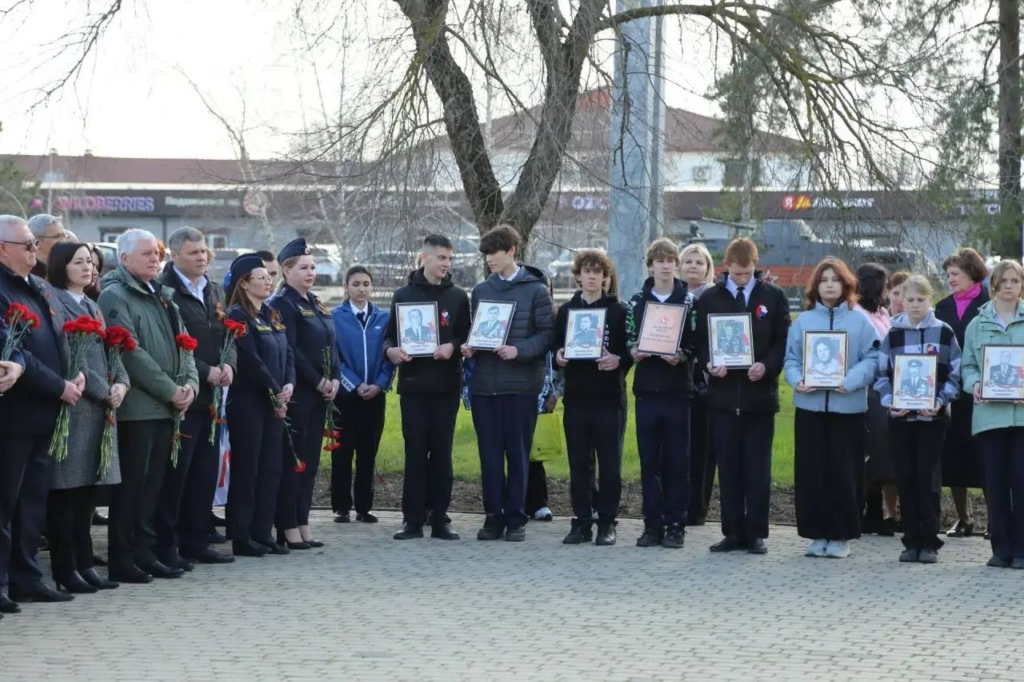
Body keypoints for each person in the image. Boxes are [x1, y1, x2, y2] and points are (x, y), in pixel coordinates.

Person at [98, 229, 199, 583]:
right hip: (139, 409)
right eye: (145, 254)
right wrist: (171, 390)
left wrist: (189, 385)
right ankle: (122, 558)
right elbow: (131, 352)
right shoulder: (115, 296)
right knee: (131, 489)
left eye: (156, 253)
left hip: (167, 406)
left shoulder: (162, 296)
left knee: (154, 487)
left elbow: (186, 344)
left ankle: (146, 552)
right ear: (124, 259)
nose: (155, 259)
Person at [0, 214, 82, 609]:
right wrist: (60, 385)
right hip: (13, 414)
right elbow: (14, 353)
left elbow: (54, 337)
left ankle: (26, 576)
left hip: (45, 412)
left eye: (36, 244)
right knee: (5, 500)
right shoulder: (2, 289)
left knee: (33, 500)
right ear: (2, 248)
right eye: (28, 245)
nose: (36, 251)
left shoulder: (38, 287)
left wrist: (74, 373)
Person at [697, 237, 791, 554]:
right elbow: (700, 342)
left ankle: (756, 532)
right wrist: (709, 364)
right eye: (736, 274)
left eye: (747, 273)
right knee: (729, 467)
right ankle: (732, 531)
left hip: (758, 397)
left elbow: (782, 341)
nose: (742, 278)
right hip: (723, 398)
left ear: (755, 265)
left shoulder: (774, 297)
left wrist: (766, 367)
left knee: (757, 468)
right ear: (726, 268)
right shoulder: (711, 298)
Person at [461, 225, 554, 542]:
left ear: (512, 250)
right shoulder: (482, 291)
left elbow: (546, 336)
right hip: (485, 386)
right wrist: (470, 347)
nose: (489, 260)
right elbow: (478, 331)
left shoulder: (536, 290)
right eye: (486, 254)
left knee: (517, 454)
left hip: (521, 385)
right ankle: (492, 517)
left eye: (494, 253)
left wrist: (519, 350)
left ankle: (516, 518)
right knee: (489, 456)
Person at [784, 256, 880, 559]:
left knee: (844, 473)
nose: (829, 285)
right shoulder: (804, 321)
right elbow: (791, 360)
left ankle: (841, 536)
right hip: (810, 409)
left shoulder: (859, 320)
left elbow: (874, 359)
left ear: (846, 284)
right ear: (815, 286)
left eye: (834, 280)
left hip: (846, 410)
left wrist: (850, 380)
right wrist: (798, 380)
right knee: (812, 473)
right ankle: (817, 533)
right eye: (823, 280)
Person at [47, 242, 129, 591]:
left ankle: (85, 563)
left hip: (100, 410)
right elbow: (71, 356)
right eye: (78, 262)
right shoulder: (54, 301)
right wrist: (102, 390)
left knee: (87, 494)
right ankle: (66, 569)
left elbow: (112, 352)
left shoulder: (93, 305)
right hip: (77, 407)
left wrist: (122, 383)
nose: (87, 268)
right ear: (61, 265)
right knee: (66, 492)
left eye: (90, 263)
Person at [153, 227, 237, 568]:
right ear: (174, 256)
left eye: (204, 252)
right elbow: (170, 343)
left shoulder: (213, 289)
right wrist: (204, 371)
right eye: (193, 253)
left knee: (204, 473)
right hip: (183, 396)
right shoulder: (164, 292)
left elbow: (227, 334)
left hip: (213, 399)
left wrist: (229, 364)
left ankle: (196, 540)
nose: (202, 257)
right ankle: (166, 546)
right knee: (178, 475)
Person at [385, 236, 470, 540]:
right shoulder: (403, 295)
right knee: (416, 453)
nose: (446, 264)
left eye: (450, 258)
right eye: (441, 258)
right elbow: (389, 337)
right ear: (425, 257)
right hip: (413, 387)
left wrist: (452, 346)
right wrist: (391, 352)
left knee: (442, 454)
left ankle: (440, 518)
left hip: (446, 387)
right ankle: (412, 519)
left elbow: (466, 337)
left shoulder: (459, 297)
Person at [875, 274, 961, 564]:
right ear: (901, 301)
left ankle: (929, 541)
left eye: (920, 300)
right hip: (900, 418)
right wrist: (889, 402)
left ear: (930, 300)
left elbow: (955, 374)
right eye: (909, 299)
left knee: (928, 478)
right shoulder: (893, 334)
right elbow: (881, 375)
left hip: (932, 420)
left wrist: (939, 402)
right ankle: (910, 540)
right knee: (905, 477)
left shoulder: (944, 332)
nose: (914, 305)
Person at [554, 249, 631, 546]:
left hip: (609, 398)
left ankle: (607, 522)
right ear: (578, 276)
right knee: (579, 464)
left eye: (597, 272)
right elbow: (556, 347)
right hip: (577, 397)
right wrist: (558, 355)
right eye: (586, 271)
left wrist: (619, 361)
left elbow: (629, 351)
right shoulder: (567, 311)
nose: (591, 276)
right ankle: (583, 521)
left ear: (605, 277)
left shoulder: (619, 311)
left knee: (610, 464)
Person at [268, 239, 340, 548]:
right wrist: (316, 381)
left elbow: (331, 345)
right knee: (293, 461)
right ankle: (287, 525)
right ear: (286, 270)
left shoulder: (316, 302)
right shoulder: (283, 303)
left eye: (313, 267)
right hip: (300, 392)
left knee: (309, 463)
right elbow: (292, 351)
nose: (311, 272)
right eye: (304, 268)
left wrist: (335, 377)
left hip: (322, 393)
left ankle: (303, 520)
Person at [626, 238, 697, 549]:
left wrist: (680, 355)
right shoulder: (637, 302)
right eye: (660, 260)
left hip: (677, 391)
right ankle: (652, 525)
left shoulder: (689, 302)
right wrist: (634, 351)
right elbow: (628, 337)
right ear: (651, 265)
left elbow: (697, 342)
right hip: (646, 392)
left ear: (676, 266)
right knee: (649, 462)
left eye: (671, 260)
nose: (666, 265)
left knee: (677, 463)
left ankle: (676, 525)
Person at [224, 254, 294, 557]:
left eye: (269, 276)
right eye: (261, 277)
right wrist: (275, 391)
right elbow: (251, 362)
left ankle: (263, 532)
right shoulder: (239, 316)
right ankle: (242, 534)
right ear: (244, 282)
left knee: (270, 469)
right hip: (250, 403)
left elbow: (287, 353)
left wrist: (289, 384)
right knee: (248, 469)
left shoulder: (271, 313)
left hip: (275, 402)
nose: (268, 281)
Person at [961, 259, 1024, 568]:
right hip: (990, 418)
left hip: (1022, 418)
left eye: (1016, 280)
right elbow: (968, 367)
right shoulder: (977, 324)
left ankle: (1022, 550)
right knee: (996, 485)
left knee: (1022, 484)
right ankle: (1001, 549)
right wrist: (975, 384)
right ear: (994, 285)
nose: (1010, 286)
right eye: (1005, 280)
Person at [332, 266, 395, 526]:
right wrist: (354, 384)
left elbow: (389, 356)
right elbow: (334, 357)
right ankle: (341, 507)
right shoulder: (335, 317)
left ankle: (364, 507)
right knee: (343, 452)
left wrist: (379, 385)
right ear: (346, 287)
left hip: (374, 396)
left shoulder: (383, 317)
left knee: (368, 452)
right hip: (346, 396)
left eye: (366, 284)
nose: (361, 289)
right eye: (356, 284)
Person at [935, 248, 989, 537]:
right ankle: (964, 518)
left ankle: (995, 520)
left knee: (983, 456)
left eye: (955, 274)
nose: (950, 280)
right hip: (951, 391)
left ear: (971, 273)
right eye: (947, 275)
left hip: (982, 392)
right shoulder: (942, 307)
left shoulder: (989, 305)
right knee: (953, 457)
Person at [854, 262, 899, 537]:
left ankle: (874, 511)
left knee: (881, 453)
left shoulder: (884, 314)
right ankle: (862, 510)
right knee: (869, 452)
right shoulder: (858, 315)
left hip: (885, 391)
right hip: (868, 391)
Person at [679, 243, 716, 526]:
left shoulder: (714, 298)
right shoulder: (672, 298)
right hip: (674, 381)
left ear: (707, 268)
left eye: (699, 262)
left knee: (703, 450)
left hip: (705, 383)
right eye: (688, 261)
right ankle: (675, 505)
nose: (693, 266)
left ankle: (697, 509)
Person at [26, 214, 69, 279]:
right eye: (58, 236)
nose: (64, 241)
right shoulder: (27, 275)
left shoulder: (70, 269)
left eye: (64, 236)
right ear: (36, 241)